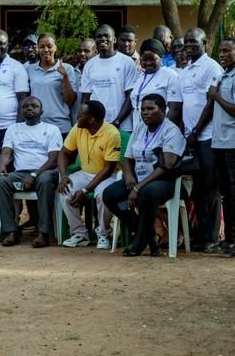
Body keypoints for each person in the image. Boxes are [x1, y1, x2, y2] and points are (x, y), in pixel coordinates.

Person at [102, 94, 186, 257]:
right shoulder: (140, 127)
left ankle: (139, 242)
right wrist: (128, 177)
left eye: (150, 109)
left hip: (163, 181)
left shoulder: (171, 130)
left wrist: (138, 187)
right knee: (110, 195)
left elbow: (167, 165)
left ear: (162, 110)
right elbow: (127, 158)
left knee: (148, 193)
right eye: (142, 109)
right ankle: (149, 237)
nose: (145, 113)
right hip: (138, 179)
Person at [197, 37, 235, 257]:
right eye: (220, 50)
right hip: (219, 141)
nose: (222, 54)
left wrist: (216, 96)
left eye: (227, 51)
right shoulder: (223, 75)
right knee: (227, 192)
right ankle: (230, 239)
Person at [0, 97, 63, 247]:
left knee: (44, 180)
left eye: (34, 106)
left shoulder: (51, 129)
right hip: (21, 173)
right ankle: (11, 231)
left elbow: (53, 160)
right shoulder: (14, 129)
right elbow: (6, 152)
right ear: (21, 110)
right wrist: (1, 165)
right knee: (2, 181)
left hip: (45, 171)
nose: (29, 109)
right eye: (25, 106)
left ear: (41, 111)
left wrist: (34, 174)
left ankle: (43, 232)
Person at [181, 28, 225, 250]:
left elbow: (211, 103)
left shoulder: (211, 67)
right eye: (187, 41)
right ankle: (199, 235)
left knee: (210, 187)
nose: (189, 45)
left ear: (205, 44)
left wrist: (197, 131)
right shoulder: (186, 69)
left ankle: (211, 237)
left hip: (207, 137)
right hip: (191, 138)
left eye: (194, 42)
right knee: (197, 188)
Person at [57, 101, 120, 249]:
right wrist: (63, 176)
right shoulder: (78, 128)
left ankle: (103, 233)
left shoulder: (112, 133)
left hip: (108, 175)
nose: (77, 118)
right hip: (85, 173)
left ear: (91, 120)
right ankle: (79, 234)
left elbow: (108, 168)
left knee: (103, 194)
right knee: (66, 189)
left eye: (80, 115)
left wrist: (85, 191)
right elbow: (64, 153)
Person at [80, 24, 136, 131]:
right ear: (95, 40)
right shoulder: (89, 65)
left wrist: (117, 122)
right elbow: (86, 98)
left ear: (114, 39)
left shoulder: (126, 62)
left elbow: (130, 96)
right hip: (95, 126)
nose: (103, 39)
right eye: (99, 36)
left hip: (121, 126)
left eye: (106, 36)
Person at [127, 39, 183, 133]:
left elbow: (175, 108)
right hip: (139, 129)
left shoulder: (169, 75)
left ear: (160, 58)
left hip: (159, 130)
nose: (148, 63)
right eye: (145, 59)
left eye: (152, 59)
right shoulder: (140, 77)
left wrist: (161, 132)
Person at [27, 34, 78, 136]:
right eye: (42, 46)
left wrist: (65, 77)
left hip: (60, 125)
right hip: (36, 124)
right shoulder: (29, 69)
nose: (46, 50)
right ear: (37, 48)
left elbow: (70, 101)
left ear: (55, 47)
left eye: (49, 46)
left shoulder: (67, 68)